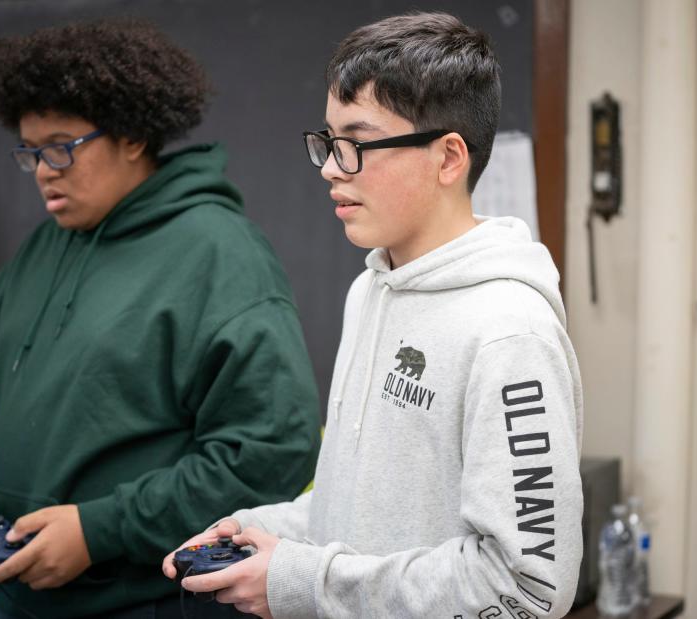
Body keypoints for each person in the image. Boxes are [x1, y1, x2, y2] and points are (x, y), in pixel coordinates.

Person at [164, 12, 584, 619]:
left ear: (448, 158)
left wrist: (304, 581)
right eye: (329, 143)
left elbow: (526, 589)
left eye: (356, 144)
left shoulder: (509, 331)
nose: (332, 168)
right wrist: (261, 531)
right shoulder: (371, 290)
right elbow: (365, 514)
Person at [0, 18, 321, 619]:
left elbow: (270, 452)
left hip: (151, 603)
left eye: (61, 146)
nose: (43, 169)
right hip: (20, 601)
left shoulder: (219, 255)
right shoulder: (38, 253)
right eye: (30, 151)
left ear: (133, 137)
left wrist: (101, 531)